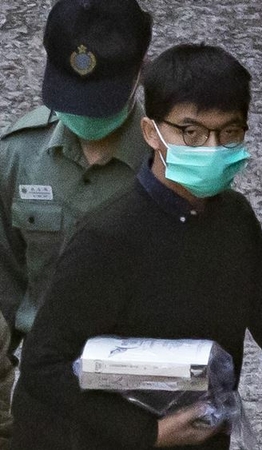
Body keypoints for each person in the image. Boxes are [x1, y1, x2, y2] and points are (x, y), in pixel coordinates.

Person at [10, 43, 262, 449]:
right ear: (152, 133)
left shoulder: (234, 220)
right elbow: (45, 367)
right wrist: (147, 434)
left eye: (229, 132)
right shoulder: (107, 240)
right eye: (192, 133)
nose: (212, 148)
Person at [0, 0, 153, 445]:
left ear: (140, 69)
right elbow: (3, 294)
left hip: (141, 398)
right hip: (44, 399)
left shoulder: (167, 165)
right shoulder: (17, 157)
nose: (86, 113)